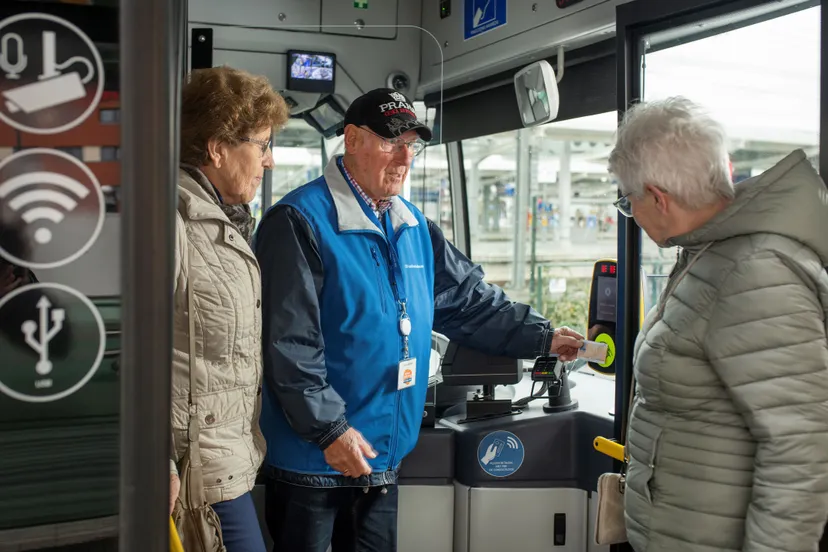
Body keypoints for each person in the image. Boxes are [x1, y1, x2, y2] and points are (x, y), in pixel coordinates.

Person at [253, 88, 585, 552]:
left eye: (413, 143)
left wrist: (542, 336)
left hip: (383, 450)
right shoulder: (298, 221)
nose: (405, 157)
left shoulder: (414, 227)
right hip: (314, 460)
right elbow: (288, 345)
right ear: (351, 140)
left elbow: (470, 302)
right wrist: (329, 430)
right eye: (392, 142)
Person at [608, 96, 828, 552]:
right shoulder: (707, 254)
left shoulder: (753, 271)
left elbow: (801, 450)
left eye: (627, 202)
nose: (631, 213)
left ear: (658, 198)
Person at [170, 65, 289, 552]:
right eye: (261, 145)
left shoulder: (226, 221)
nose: (270, 161)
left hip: (232, 458)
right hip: (194, 473)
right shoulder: (173, 222)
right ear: (217, 147)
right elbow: (126, 345)